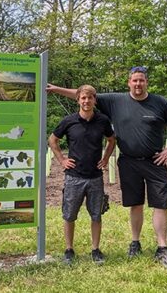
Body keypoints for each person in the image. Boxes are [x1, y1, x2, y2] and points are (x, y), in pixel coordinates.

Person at [47, 66, 167, 269]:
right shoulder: (116, 100)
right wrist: (56, 89)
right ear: (128, 82)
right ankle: (135, 242)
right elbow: (83, 95)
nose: (138, 84)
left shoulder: (160, 103)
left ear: (146, 82)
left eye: (141, 80)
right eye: (134, 80)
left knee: (160, 204)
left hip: (155, 160)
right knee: (135, 203)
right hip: (128, 161)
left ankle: (162, 248)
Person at [48, 85, 116, 265]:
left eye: (90, 98)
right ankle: (69, 249)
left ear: (95, 100)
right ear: (78, 99)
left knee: (96, 215)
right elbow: (52, 139)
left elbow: (111, 140)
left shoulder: (102, 120)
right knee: (69, 215)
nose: (86, 101)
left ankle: (95, 249)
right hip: (73, 177)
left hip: (95, 177)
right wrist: (62, 160)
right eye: (83, 98)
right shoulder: (69, 121)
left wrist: (106, 158)